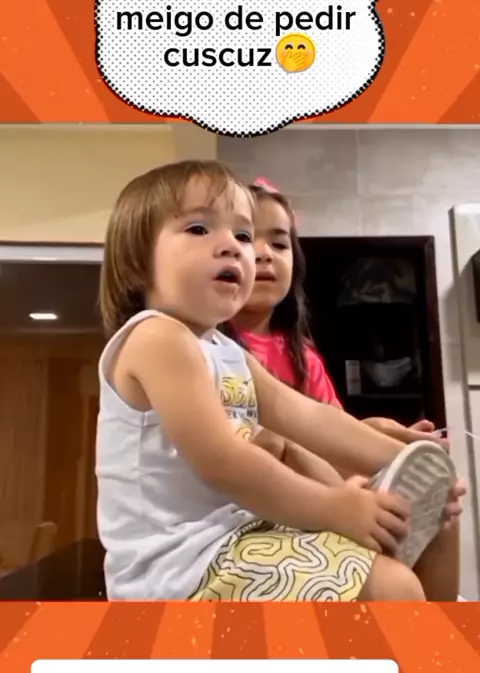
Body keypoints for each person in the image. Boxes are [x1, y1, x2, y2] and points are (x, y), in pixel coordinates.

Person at [96, 159, 457, 605]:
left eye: (242, 235)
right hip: (174, 568)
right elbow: (224, 461)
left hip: (229, 540)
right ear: (137, 261)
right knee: (392, 587)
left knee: (419, 544)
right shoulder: (156, 338)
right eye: (199, 229)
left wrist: (411, 461)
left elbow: (309, 417)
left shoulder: (227, 354)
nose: (232, 247)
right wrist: (333, 508)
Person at [225, 180, 462, 597]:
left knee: (441, 514)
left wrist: (389, 438)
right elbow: (274, 446)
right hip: (265, 505)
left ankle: (440, 633)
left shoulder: (302, 355)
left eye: (279, 244)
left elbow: (328, 428)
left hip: (322, 486)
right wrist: (344, 494)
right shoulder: (214, 353)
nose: (263, 253)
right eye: (246, 238)